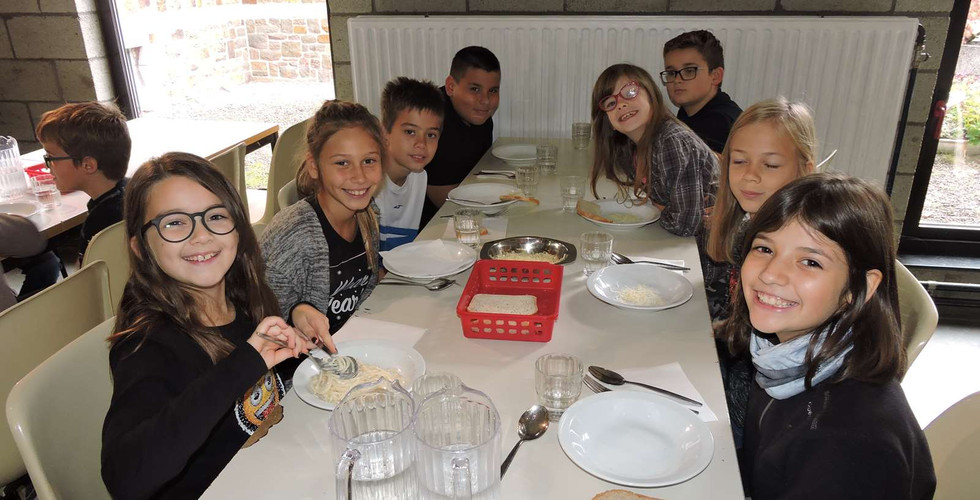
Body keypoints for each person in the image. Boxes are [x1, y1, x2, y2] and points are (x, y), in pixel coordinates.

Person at [101, 153, 313, 499]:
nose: (201, 235)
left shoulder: (244, 298)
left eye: (215, 216)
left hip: (265, 473)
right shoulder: (147, 346)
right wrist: (243, 364)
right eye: (174, 222)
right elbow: (125, 478)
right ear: (140, 247)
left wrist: (297, 322)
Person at [722, 173, 936, 500]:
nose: (770, 273)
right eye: (764, 248)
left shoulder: (845, 445)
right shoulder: (785, 353)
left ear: (858, 288)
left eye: (810, 262)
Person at [703, 97, 818, 453]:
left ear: (804, 170)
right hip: (738, 367)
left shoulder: (793, 244)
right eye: (739, 161)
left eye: (770, 165)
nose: (750, 175)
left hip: (757, 408)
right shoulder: (750, 224)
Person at [261, 100, 383, 351]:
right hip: (299, 366)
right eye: (342, 163)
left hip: (352, 346)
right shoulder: (294, 235)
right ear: (314, 166)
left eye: (369, 161)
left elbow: (364, 296)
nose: (359, 176)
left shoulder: (369, 215)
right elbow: (262, 323)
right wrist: (297, 314)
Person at [590, 63, 717, 238]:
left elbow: (684, 224)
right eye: (611, 103)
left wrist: (659, 209)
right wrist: (662, 208)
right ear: (608, 121)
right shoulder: (630, 149)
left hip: (710, 247)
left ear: (651, 95)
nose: (621, 104)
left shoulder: (672, 142)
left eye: (630, 92)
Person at [35, 102, 132, 262]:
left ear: (88, 165)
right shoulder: (134, 191)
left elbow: (90, 276)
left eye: (51, 158)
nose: (48, 166)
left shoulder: (100, 222)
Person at [420, 46, 501, 227]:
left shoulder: (478, 114)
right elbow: (448, 203)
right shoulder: (434, 125)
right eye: (475, 89)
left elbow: (479, 171)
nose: (485, 100)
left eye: (493, 91)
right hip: (432, 226)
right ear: (451, 87)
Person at [376, 77, 445, 250]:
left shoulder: (419, 177)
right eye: (410, 132)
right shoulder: (369, 183)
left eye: (431, 135)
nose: (421, 144)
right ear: (384, 132)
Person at [662, 30, 743, 154]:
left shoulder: (719, 122)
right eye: (671, 73)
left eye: (689, 71)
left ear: (715, 76)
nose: (677, 80)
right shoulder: (689, 109)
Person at [0, 214, 59, 309]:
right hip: (8, 314)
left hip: (8, 308)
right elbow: (34, 239)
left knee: (46, 261)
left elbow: (32, 239)